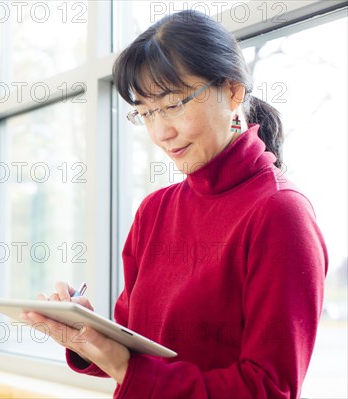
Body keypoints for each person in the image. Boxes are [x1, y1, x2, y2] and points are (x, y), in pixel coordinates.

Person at [21, 9, 328, 399]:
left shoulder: (281, 213)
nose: (161, 132)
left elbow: (268, 389)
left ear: (233, 91)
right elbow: (141, 349)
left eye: (174, 104)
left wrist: (124, 366)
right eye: (146, 113)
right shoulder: (154, 211)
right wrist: (87, 336)